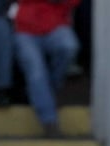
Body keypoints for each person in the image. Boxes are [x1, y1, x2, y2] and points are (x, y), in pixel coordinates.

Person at [13, 0, 80, 137]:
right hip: (24, 29)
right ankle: (49, 121)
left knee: (69, 46)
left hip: (56, 25)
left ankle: (46, 94)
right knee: (36, 71)